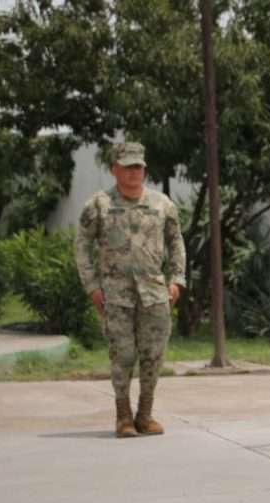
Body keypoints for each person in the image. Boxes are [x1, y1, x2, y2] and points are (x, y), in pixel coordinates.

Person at [75, 142, 186, 438]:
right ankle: (123, 417)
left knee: (153, 356)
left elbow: (176, 242)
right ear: (114, 170)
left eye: (138, 166)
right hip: (115, 295)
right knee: (122, 356)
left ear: (144, 169)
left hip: (154, 294)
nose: (133, 172)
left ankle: (145, 415)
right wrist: (91, 286)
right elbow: (82, 247)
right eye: (127, 167)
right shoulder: (98, 205)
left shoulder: (162, 204)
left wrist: (177, 279)